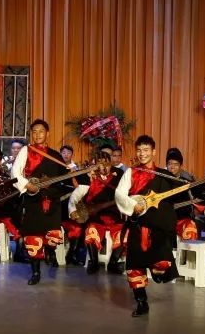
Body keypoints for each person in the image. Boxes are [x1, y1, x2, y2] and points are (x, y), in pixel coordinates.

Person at [114, 135, 180, 317]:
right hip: (137, 225)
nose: (142, 154)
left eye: (146, 150)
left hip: (159, 229)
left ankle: (158, 273)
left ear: (154, 152)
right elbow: (119, 194)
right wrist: (132, 205)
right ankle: (141, 302)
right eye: (139, 150)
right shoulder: (131, 172)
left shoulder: (164, 175)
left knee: (162, 264)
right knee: (134, 266)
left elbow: (182, 192)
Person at [10, 119, 72, 285]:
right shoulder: (26, 150)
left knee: (51, 234)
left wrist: (76, 175)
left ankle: (50, 251)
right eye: (34, 132)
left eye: (41, 131)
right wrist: (27, 185)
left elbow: (65, 178)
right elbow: (15, 172)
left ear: (47, 134)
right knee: (33, 236)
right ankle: (36, 272)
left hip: (52, 202)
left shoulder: (56, 155)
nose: (37, 135)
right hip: (33, 200)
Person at [68, 144, 127, 274]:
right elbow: (75, 195)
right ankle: (94, 262)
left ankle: (113, 263)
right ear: (95, 165)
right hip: (96, 217)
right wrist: (72, 209)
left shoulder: (119, 176)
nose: (104, 167)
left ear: (111, 164)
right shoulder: (90, 177)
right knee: (91, 230)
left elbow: (125, 195)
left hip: (114, 216)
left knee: (124, 232)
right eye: (100, 164)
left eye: (106, 164)